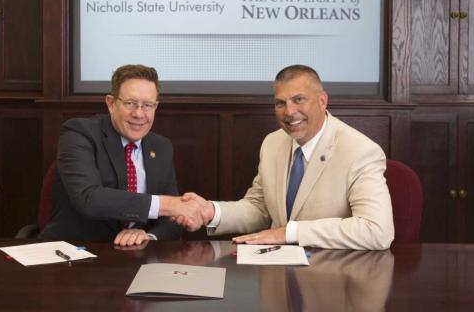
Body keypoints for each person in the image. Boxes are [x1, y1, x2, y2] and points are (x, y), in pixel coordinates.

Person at [180, 65, 394, 250]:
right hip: (276, 276)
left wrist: (290, 233)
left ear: (322, 101)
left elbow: (377, 230)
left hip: (333, 276)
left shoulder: (360, 151)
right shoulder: (272, 143)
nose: (289, 112)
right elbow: (259, 208)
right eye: (280, 103)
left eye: (298, 100)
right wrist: (212, 212)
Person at [41, 64, 203, 245]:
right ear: (111, 103)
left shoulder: (162, 147)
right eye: (130, 103)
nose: (139, 114)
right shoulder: (79, 133)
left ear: (156, 107)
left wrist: (147, 237)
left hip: (135, 257)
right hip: (75, 254)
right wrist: (169, 205)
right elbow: (89, 198)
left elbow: (172, 221)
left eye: (147, 105)